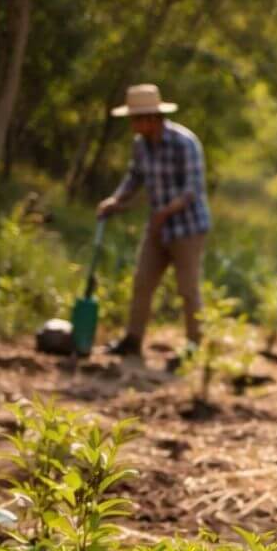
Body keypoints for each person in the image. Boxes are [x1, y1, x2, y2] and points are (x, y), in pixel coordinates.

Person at [97, 84, 211, 361]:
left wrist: (166, 211)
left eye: (136, 119)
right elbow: (134, 177)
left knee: (187, 289)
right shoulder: (140, 146)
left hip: (188, 227)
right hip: (158, 227)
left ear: (151, 118)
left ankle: (194, 348)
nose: (133, 124)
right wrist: (115, 199)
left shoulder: (185, 143)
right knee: (142, 282)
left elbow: (192, 189)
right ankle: (133, 340)